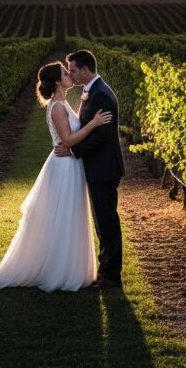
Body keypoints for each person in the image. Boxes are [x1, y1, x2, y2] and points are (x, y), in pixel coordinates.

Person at [0, 61, 111, 292]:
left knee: (68, 216)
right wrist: (94, 124)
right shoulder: (57, 107)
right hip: (64, 166)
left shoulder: (63, 102)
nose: (69, 74)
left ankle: (66, 266)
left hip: (71, 164)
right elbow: (67, 140)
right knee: (63, 216)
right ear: (57, 82)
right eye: (65, 73)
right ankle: (60, 270)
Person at [54, 49, 125, 289]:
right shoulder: (92, 91)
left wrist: (73, 151)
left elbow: (102, 136)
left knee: (107, 222)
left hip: (104, 169)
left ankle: (112, 276)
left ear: (85, 70)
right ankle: (105, 271)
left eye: (73, 70)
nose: (71, 74)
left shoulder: (101, 95)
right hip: (99, 168)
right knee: (102, 222)